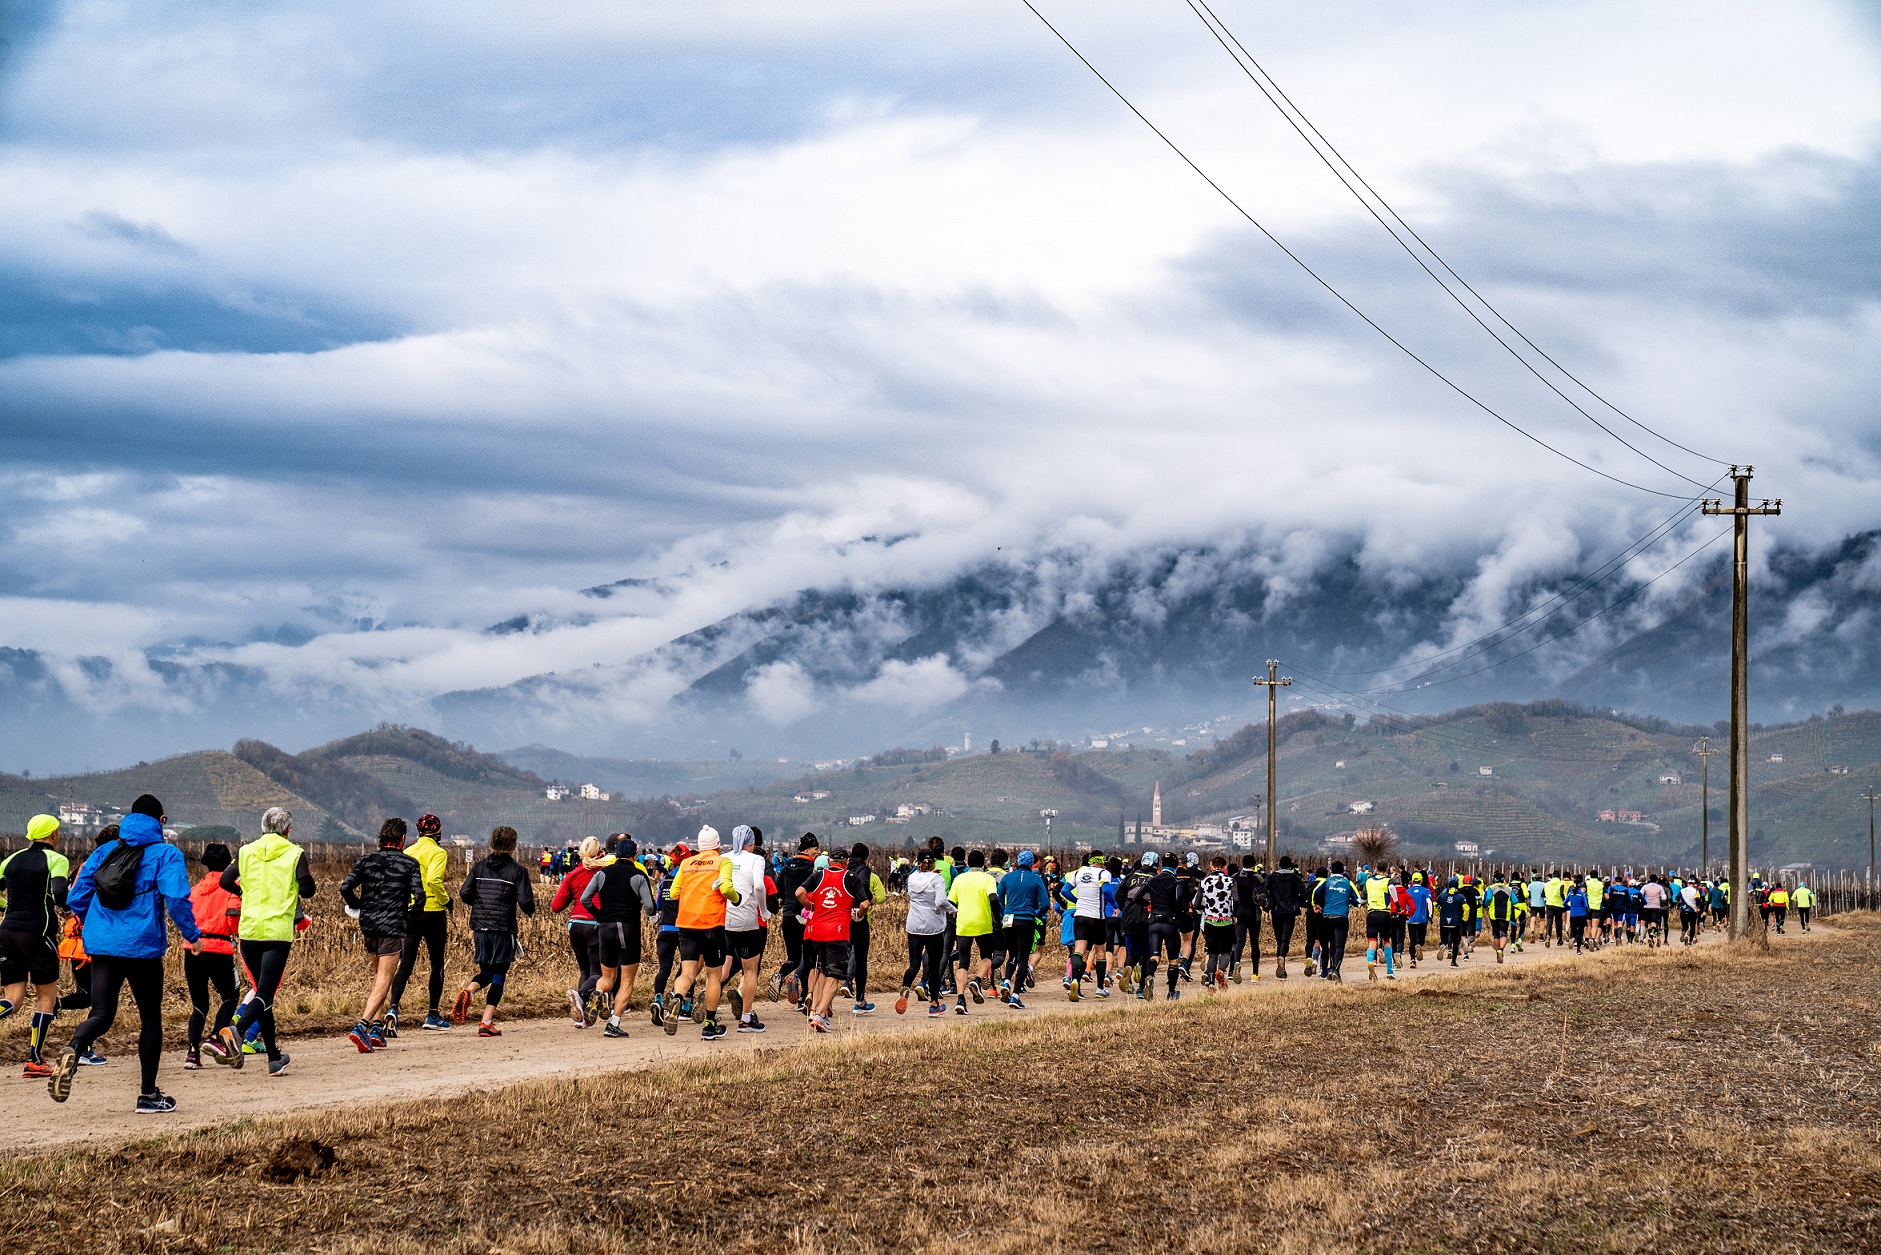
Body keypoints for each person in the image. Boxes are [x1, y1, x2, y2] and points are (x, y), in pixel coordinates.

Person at [51, 795, 203, 1112]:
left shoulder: (105, 851)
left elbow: (77, 895)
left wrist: (95, 921)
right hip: (142, 948)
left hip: (102, 945)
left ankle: (75, 1048)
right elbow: (176, 900)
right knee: (150, 1019)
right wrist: (193, 936)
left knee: (101, 1013)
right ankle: (148, 1095)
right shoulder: (166, 854)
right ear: (161, 821)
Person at [209, 807, 315, 1077]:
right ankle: (238, 1031)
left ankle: (274, 1057)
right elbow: (308, 890)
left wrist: (245, 893)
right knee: (265, 993)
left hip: (249, 932)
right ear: (288, 829)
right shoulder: (294, 853)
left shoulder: (245, 852)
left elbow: (225, 880)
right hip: (277, 933)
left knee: (260, 992)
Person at [339, 819, 422, 1053]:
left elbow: (345, 887)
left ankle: (377, 1027)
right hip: (392, 927)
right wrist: (410, 912)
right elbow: (419, 896)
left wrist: (359, 905)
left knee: (378, 977)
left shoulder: (366, 860)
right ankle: (362, 1026)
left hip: (369, 926)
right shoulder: (409, 864)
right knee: (385, 978)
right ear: (402, 839)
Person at [451, 826, 537, 1037]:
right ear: (514, 846)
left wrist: (479, 904)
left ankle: (469, 991)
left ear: (492, 843)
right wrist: (529, 911)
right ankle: (486, 1022)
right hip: (502, 927)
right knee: (499, 974)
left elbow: (464, 893)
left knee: (487, 971)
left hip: (480, 926)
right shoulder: (518, 871)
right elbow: (526, 902)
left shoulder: (479, 867)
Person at [2, 814, 68, 1080]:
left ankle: (35, 1061)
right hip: (38, 934)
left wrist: (6, 907)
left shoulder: (11, 859)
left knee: (13, 1000)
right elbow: (61, 893)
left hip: (6, 933)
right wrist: (68, 909)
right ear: (54, 834)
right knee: (46, 998)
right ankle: (34, 1061)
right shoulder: (56, 859)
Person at [661, 826, 741, 1041]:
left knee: (687, 972)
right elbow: (725, 888)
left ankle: (677, 998)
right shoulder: (723, 862)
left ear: (699, 845)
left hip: (686, 923)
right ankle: (710, 1024)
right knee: (713, 975)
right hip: (712, 924)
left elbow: (674, 892)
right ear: (717, 845)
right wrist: (736, 898)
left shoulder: (686, 864)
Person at [580, 837, 654, 1038]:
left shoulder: (602, 873)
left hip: (605, 927)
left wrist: (599, 915)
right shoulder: (639, 874)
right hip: (628, 927)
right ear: (634, 855)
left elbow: (585, 898)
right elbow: (649, 905)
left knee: (607, 976)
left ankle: (599, 994)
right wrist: (652, 917)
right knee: (627, 980)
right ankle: (614, 1023)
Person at [387, 813, 453, 1035]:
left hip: (410, 913)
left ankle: (393, 1009)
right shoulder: (438, 852)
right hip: (433, 912)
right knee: (436, 964)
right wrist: (446, 900)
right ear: (437, 831)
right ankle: (433, 1014)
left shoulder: (408, 852)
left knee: (405, 963)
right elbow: (434, 880)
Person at [182, 843, 241, 1070]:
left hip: (193, 949)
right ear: (229, 864)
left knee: (199, 1004)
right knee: (230, 996)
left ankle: (192, 1054)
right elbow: (233, 922)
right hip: (219, 950)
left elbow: (184, 917)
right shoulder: (231, 888)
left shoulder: (195, 889)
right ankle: (215, 1038)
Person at [795, 844, 856, 1033]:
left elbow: (800, 894)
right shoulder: (847, 879)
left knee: (818, 969)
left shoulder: (817, 882)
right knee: (834, 974)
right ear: (846, 863)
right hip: (836, 932)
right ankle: (820, 1013)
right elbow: (863, 903)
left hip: (813, 932)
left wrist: (812, 907)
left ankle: (814, 1005)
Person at [550, 835, 609, 1027]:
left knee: (584, 970)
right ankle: (581, 997)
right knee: (599, 972)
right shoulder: (604, 873)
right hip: (596, 924)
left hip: (575, 925)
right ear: (600, 853)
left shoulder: (572, 875)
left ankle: (583, 1018)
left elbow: (556, 906)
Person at [722, 826, 772, 1033]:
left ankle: (710, 1016)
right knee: (750, 970)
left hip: (724, 919)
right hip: (747, 920)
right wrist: (764, 910)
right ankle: (746, 1019)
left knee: (720, 967)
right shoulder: (756, 859)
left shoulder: (723, 858)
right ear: (751, 843)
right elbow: (759, 887)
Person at [897, 849, 950, 1017]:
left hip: (914, 925)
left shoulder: (912, 878)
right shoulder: (938, 879)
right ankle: (934, 1003)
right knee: (934, 967)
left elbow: (919, 879)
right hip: (933, 926)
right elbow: (941, 901)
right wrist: (953, 909)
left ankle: (905, 988)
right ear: (934, 863)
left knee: (914, 964)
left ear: (917, 862)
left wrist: (927, 873)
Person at [946, 850, 1000, 1014]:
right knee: (987, 957)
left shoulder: (960, 879)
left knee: (963, 962)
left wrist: (956, 914)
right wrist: (996, 919)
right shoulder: (988, 878)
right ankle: (977, 980)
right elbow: (993, 899)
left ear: (968, 863)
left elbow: (950, 902)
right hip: (983, 924)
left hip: (963, 925)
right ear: (984, 863)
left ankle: (960, 1000)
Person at [995, 850, 1048, 1008]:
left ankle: (1005, 982)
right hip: (1026, 919)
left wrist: (1004, 910)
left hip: (1008, 919)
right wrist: (1036, 914)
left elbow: (997, 897)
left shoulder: (1007, 877)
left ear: (1017, 862)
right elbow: (1045, 903)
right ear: (1032, 863)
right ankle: (1016, 995)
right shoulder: (1036, 879)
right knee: (1023, 957)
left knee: (1011, 954)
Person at [773, 834, 820, 1005]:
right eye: (816, 849)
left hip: (788, 916)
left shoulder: (786, 866)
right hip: (806, 916)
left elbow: (777, 889)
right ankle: (803, 999)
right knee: (809, 959)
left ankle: (781, 974)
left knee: (793, 957)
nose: (818, 852)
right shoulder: (812, 867)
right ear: (807, 850)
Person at [1135, 852, 1188, 1000]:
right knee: (1173, 960)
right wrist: (1178, 913)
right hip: (1170, 922)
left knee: (1154, 956)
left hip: (1154, 922)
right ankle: (1171, 993)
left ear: (1161, 864)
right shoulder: (1176, 882)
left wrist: (1148, 905)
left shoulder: (1153, 880)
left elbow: (1137, 897)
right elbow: (1179, 901)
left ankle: (1150, 976)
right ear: (1176, 866)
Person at [845, 842, 886, 1014]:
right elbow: (863, 886)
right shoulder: (864, 870)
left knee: (836, 958)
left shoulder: (843, 869)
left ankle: (826, 1002)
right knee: (861, 958)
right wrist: (869, 898)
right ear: (866, 858)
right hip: (858, 918)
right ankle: (860, 1001)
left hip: (841, 917)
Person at [1064, 853, 1111, 1002]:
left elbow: (1064, 891)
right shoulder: (1103, 873)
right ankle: (1099, 989)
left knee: (1079, 950)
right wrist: (1115, 905)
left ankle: (1075, 981)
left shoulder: (1078, 872)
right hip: (1097, 917)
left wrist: (1077, 901)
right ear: (1102, 863)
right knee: (1100, 951)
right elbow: (1107, 891)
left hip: (1080, 916)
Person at [1311, 862, 1360, 982]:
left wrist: (1316, 905)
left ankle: (1330, 968)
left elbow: (1315, 893)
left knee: (1331, 944)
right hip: (1341, 917)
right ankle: (1336, 970)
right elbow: (1358, 900)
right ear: (1343, 871)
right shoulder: (1348, 883)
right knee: (1339, 946)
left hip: (1327, 916)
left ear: (1331, 870)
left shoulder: (1326, 881)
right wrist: (1349, 901)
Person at [1198, 855, 1238, 991]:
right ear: (1225, 867)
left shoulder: (1204, 881)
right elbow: (1236, 900)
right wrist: (1234, 915)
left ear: (1211, 866)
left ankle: (1210, 982)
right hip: (1226, 920)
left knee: (1213, 953)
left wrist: (1204, 909)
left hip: (1210, 921)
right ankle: (1221, 970)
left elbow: (1197, 902)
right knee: (1227, 951)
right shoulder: (1230, 881)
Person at [1265, 856, 1306, 979]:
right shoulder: (1295, 878)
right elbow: (1304, 893)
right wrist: (1299, 902)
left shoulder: (1272, 877)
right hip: (1290, 911)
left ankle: (1281, 966)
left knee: (1278, 939)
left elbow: (1263, 890)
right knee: (1285, 939)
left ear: (1279, 865)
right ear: (1290, 866)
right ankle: (1282, 957)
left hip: (1276, 911)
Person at [1362, 863, 1397, 982]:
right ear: (1387, 869)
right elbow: (1392, 889)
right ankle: (1389, 971)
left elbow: (1362, 899)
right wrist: (1396, 903)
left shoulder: (1369, 881)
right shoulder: (1388, 881)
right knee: (1386, 941)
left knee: (1372, 941)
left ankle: (1370, 962)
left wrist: (1362, 902)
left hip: (1371, 914)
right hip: (1384, 914)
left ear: (1375, 868)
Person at [1483, 873, 1517, 964]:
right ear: (1503, 879)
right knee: (1504, 933)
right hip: (1505, 914)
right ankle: (1501, 950)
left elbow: (1488, 899)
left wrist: (1486, 905)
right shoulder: (1509, 889)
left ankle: (1497, 951)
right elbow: (1515, 901)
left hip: (1494, 914)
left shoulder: (1491, 888)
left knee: (1495, 933)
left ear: (1494, 879)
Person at [1436, 876, 1467, 967]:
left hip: (1444, 921)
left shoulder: (1442, 896)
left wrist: (1438, 913)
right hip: (1455, 922)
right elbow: (1466, 908)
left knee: (1444, 938)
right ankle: (1453, 961)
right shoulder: (1460, 897)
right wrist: (1464, 918)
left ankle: (1443, 945)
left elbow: (1434, 904)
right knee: (1455, 943)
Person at [1405, 871, 1432, 968]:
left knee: (1412, 940)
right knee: (1421, 939)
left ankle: (1412, 961)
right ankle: (1419, 945)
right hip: (1422, 919)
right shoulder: (1426, 891)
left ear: (1412, 881)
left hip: (1411, 918)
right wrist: (1430, 914)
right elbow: (1429, 902)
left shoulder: (1408, 891)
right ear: (1421, 881)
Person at [1566, 879, 1590, 953]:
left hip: (1573, 914)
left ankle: (1572, 938)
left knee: (1573, 929)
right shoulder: (1582, 894)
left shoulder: (1571, 893)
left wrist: (1570, 908)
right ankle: (1578, 949)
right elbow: (1586, 905)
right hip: (1582, 914)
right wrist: (1587, 910)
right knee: (1580, 931)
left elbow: (1564, 903)